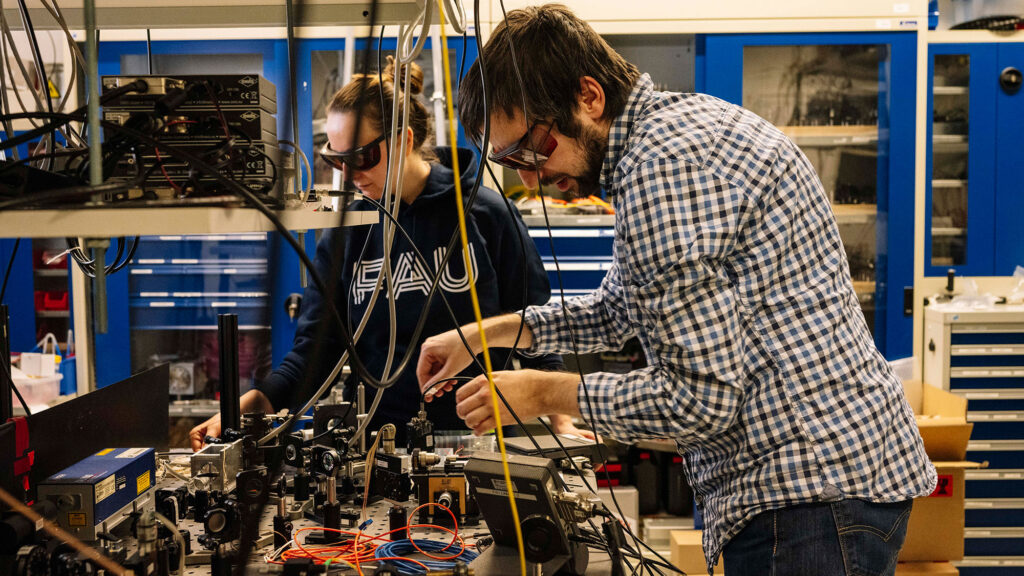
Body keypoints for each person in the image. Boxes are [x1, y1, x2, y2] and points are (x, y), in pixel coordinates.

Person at [416, 5, 936, 575]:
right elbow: (620, 310)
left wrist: (542, 392)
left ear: (589, 97)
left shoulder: (663, 167)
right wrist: (483, 334)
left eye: (533, 147)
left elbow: (700, 401)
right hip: (826, 484)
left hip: (810, 495)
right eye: (508, 160)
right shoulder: (669, 136)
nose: (529, 175)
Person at [190, 57, 583, 451]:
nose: (349, 175)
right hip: (377, 447)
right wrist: (246, 408)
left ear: (403, 140)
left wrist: (561, 420)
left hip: (477, 437)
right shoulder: (347, 233)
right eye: (336, 160)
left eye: (360, 158)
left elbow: (535, 324)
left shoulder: (485, 214)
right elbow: (314, 354)